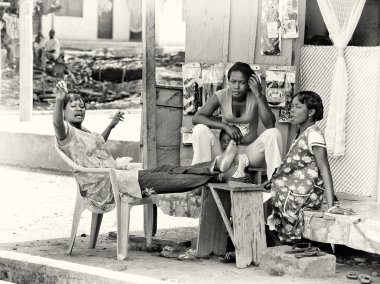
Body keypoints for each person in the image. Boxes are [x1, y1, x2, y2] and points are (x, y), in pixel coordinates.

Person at [53, 80, 239, 214]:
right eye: (73, 106)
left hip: (114, 177)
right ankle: (214, 171)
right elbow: (57, 125)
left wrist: (112, 125)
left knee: (166, 169)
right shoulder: (66, 133)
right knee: (163, 178)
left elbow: (98, 141)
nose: (79, 109)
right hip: (104, 186)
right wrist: (58, 101)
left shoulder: (83, 131)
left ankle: (215, 166)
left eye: (82, 106)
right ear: (63, 111)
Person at [192, 62, 283, 180]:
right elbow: (197, 118)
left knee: (274, 133)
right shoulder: (222, 95)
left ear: (250, 83)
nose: (236, 86)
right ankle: (198, 179)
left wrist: (258, 94)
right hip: (225, 150)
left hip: (249, 152)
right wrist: (226, 126)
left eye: (242, 82)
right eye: (233, 81)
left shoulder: (257, 96)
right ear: (228, 81)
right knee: (199, 129)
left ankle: (275, 183)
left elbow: (270, 124)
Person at [266, 90, 335, 243]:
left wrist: (331, 207)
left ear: (311, 112)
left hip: (301, 198)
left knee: (261, 209)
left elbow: (325, 170)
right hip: (291, 194)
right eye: (291, 106)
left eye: (297, 107)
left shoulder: (314, 134)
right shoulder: (301, 133)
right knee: (258, 205)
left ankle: (281, 248)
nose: (292, 110)